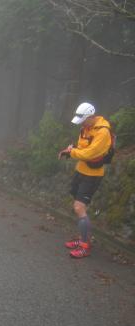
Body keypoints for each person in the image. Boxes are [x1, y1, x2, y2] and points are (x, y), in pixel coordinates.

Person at [58, 102, 113, 259]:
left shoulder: (103, 132)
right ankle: (83, 238)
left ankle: (85, 245)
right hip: (80, 171)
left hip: (93, 175)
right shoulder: (85, 128)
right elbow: (82, 149)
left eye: (83, 121)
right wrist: (70, 150)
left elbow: (90, 153)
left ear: (90, 117)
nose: (81, 124)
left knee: (79, 207)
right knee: (79, 206)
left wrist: (73, 152)